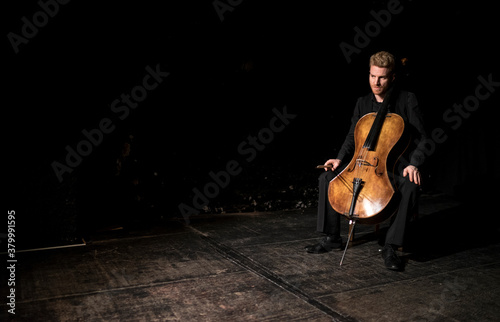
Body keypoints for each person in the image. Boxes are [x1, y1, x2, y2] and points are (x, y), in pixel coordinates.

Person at [306, 51, 427, 271]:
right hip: (362, 163)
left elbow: (424, 139)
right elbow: (352, 135)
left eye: (382, 77)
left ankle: (390, 245)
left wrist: (414, 163)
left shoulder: (407, 99)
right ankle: (332, 237)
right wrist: (339, 158)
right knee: (327, 176)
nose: (376, 82)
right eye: (372, 76)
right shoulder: (362, 103)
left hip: (393, 166)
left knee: (410, 186)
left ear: (392, 78)